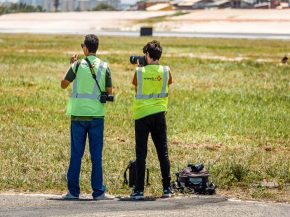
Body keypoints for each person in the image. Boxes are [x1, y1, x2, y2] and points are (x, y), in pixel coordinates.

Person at [61, 34, 113, 200]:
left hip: (77, 116)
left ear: (85, 48)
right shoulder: (105, 66)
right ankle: (98, 192)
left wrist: (70, 65)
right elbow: (110, 92)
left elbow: (63, 84)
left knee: (76, 154)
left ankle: (73, 192)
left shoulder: (77, 65)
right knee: (96, 155)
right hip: (97, 116)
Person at [131, 40, 173, 200]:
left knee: (141, 153)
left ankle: (139, 190)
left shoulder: (139, 72)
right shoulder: (166, 70)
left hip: (142, 115)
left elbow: (136, 87)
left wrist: (142, 68)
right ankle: (167, 187)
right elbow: (169, 83)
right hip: (159, 114)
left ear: (147, 55)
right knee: (163, 151)